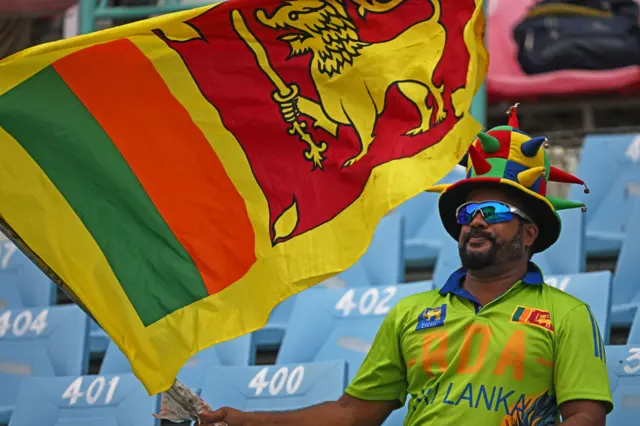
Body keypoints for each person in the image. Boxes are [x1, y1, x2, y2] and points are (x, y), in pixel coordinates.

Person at [200, 105, 613, 425]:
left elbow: (586, 417)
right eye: (467, 213)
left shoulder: (567, 314)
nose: (477, 221)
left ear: (528, 234)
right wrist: (246, 419)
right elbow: (351, 415)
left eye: (493, 210)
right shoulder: (410, 314)